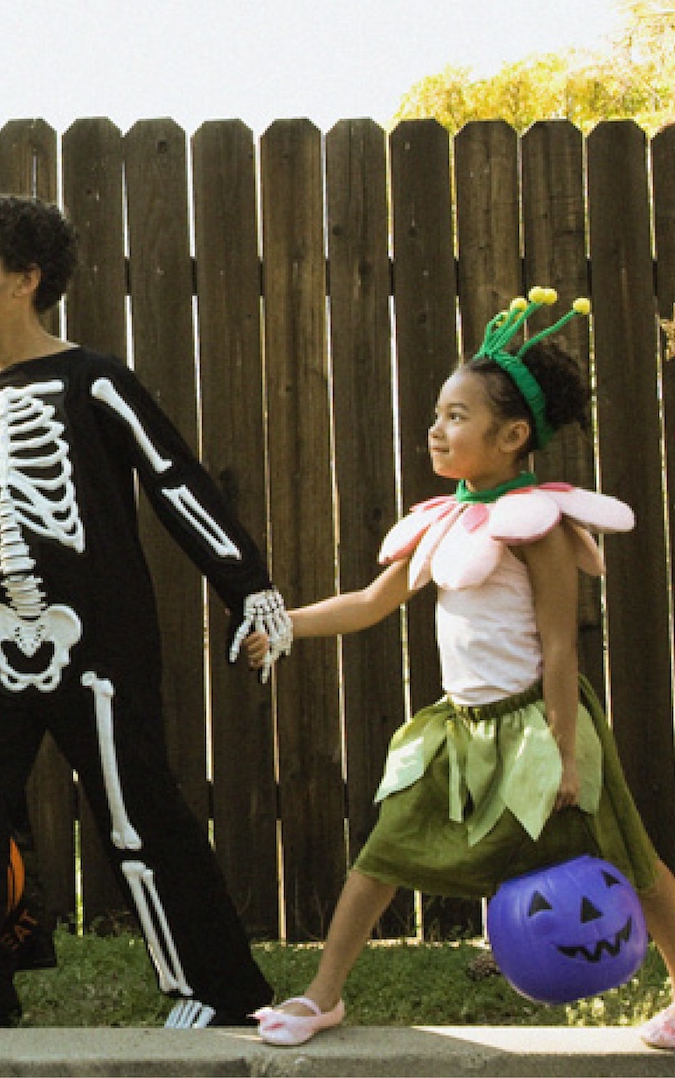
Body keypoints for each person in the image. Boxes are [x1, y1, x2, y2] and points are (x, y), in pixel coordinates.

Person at [0, 191, 285, 1031]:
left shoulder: (92, 380)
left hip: (98, 643)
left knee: (140, 809)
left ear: (25, 279)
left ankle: (217, 989)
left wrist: (248, 586)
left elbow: (175, 480)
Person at [246, 289, 675, 1050]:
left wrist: (567, 750)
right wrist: (286, 627)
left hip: (540, 726)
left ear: (511, 435)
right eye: (438, 414)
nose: (436, 429)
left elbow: (562, 646)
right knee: (383, 852)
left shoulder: (539, 527)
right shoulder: (445, 519)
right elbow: (373, 602)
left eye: (455, 417)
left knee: (629, 860)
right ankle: (322, 997)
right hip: (458, 730)